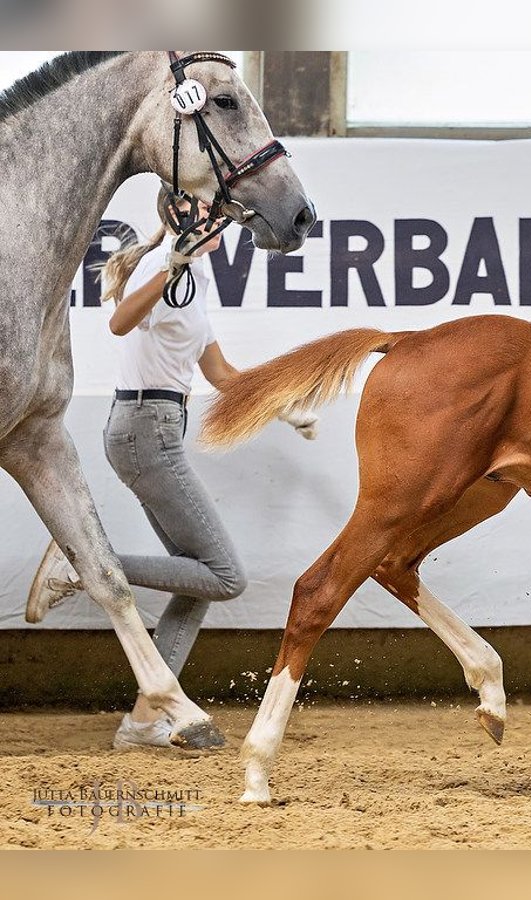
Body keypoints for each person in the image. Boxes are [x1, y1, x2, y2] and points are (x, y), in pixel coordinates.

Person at [26, 188, 318, 749]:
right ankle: (83, 562)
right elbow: (118, 322)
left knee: (199, 580)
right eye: (201, 213)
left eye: (215, 216)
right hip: (144, 430)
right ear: (174, 217)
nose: (211, 221)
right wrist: (171, 263)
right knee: (227, 575)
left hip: (156, 428)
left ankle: (142, 720)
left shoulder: (196, 282)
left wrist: (281, 407)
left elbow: (223, 375)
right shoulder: (164, 269)